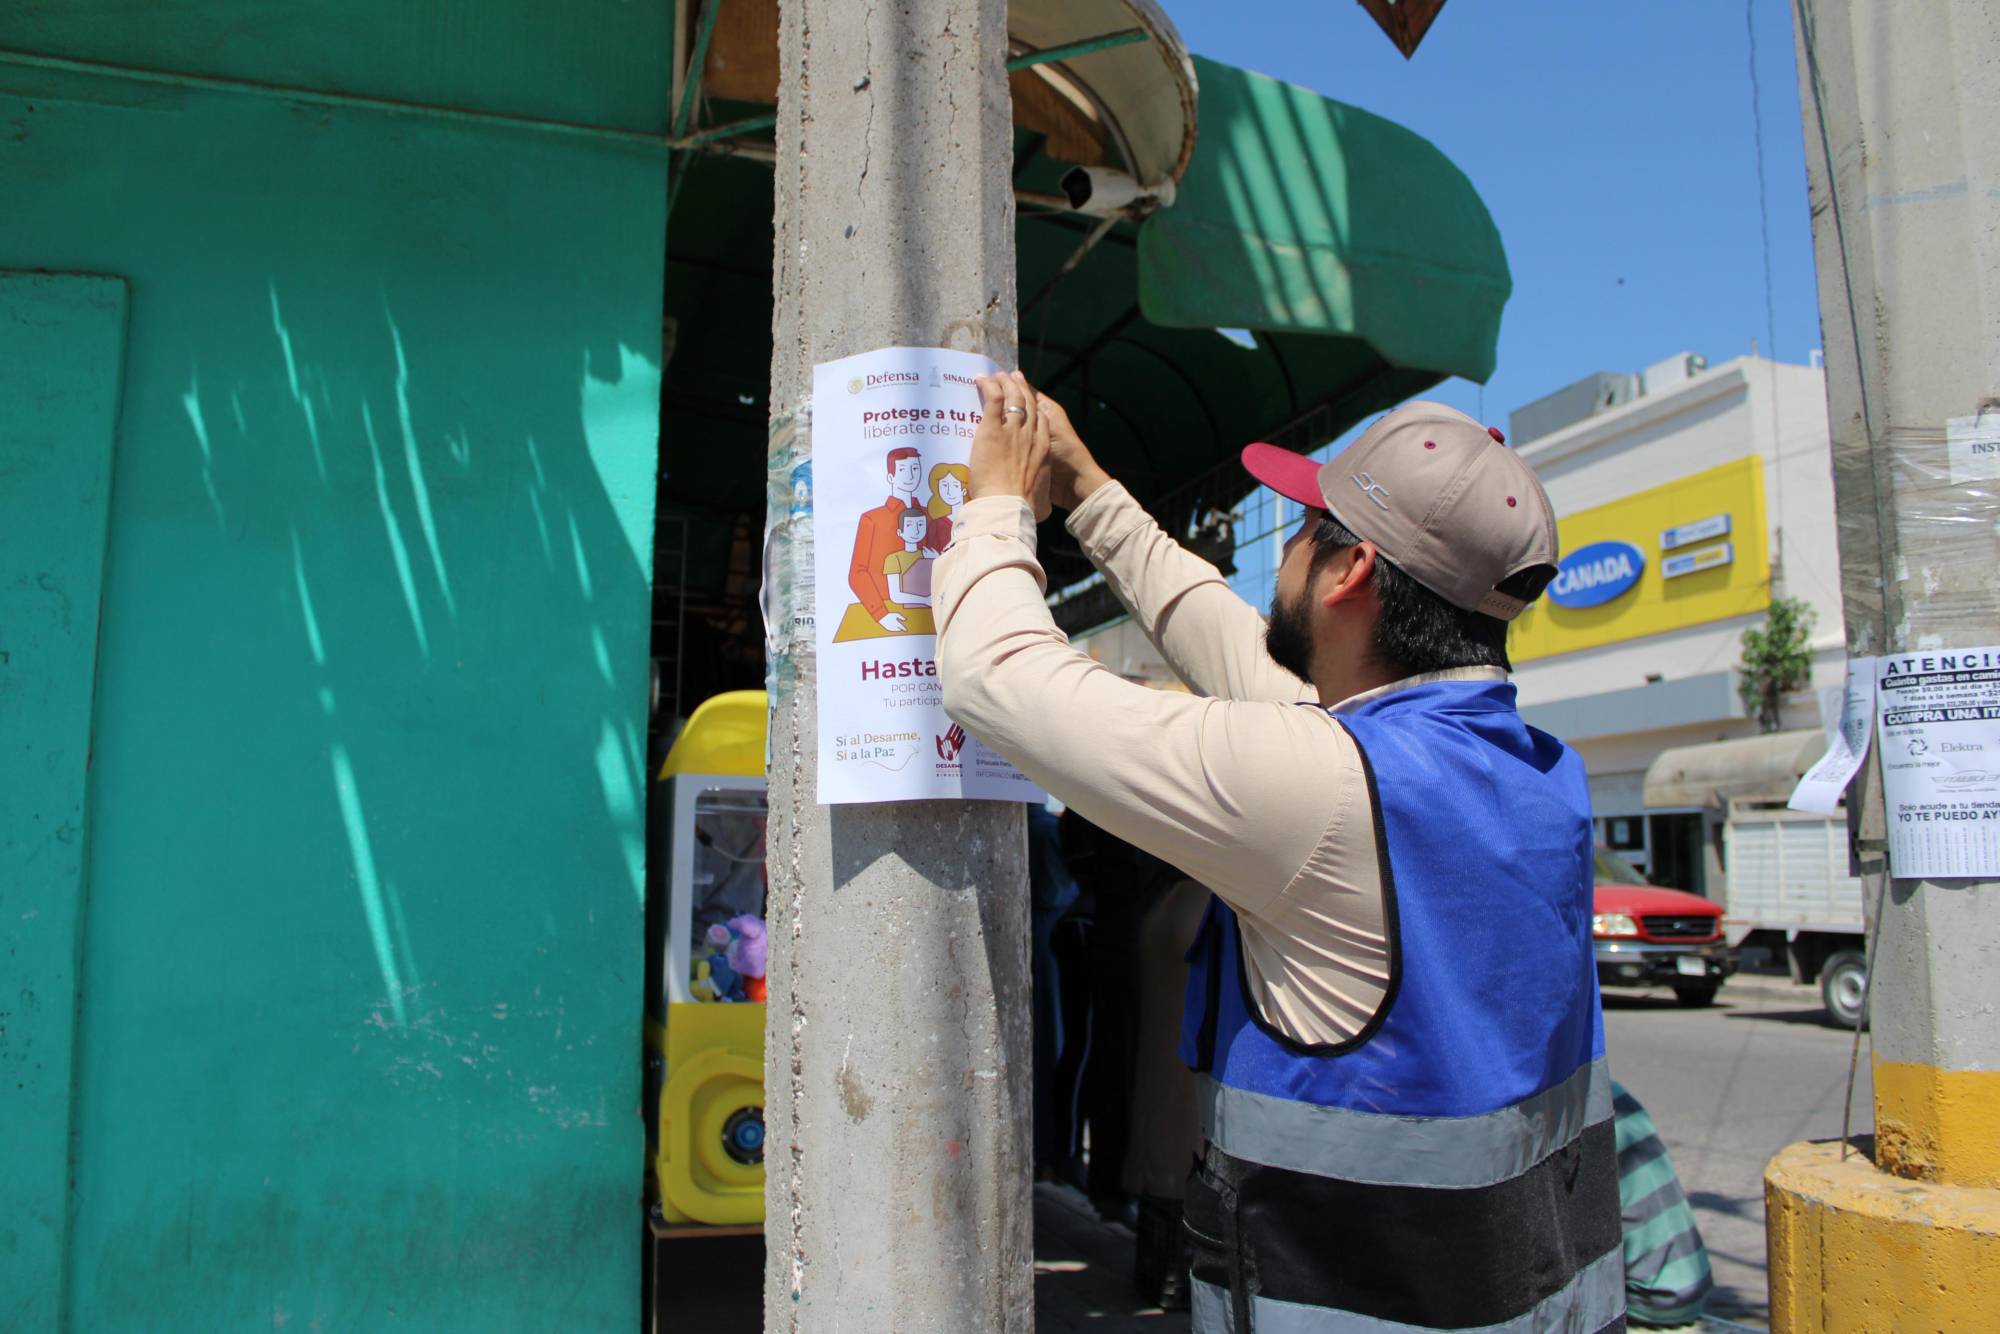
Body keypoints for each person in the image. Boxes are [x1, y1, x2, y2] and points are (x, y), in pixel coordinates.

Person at [934, 371, 1625, 1333]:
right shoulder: (1528, 771)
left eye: (1305, 529)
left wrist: (999, 502)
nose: (1287, 549)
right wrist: (1090, 493)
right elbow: (1240, 654)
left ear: (1350, 574)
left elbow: (995, 675)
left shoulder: (1328, 788)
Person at [847, 446, 925, 631]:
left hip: (931, 612)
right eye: (903, 470)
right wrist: (881, 614)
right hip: (885, 611)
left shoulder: (928, 516)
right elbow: (857, 573)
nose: (910, 476)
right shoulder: (872, 519)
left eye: (915, 469)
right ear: (891, 477)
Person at [923, 461, 971, 554]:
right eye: (944, 485)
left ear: (964, 490)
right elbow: (929, 553)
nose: (949, 491)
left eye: (955, 485)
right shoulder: (936, 525)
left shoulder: (974, 520)